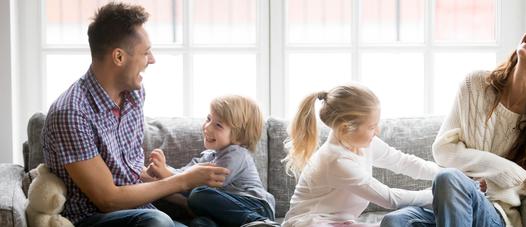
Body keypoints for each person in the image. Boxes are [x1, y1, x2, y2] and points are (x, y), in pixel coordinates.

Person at [380, 20, 526, 227]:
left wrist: (492, 183)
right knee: (395, 221)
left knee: (449, 178)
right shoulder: (475, 85)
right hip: (453, 203)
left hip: (497, 215)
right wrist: (500, 169)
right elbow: (443, 150)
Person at [41, 2, 228, 226]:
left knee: (209, 218)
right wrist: (184, 180)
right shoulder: (71, 113)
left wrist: (186, 198)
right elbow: (107, 200)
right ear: (119, 57)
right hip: (92, 217)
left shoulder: (133, 95)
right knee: (156, 221)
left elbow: (132, 170)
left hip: (139, 206)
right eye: (146, 52)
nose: (152, 59)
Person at [281, 84, 443, 227]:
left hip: (340, 221)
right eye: (372, 127)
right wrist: (436, 195)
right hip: (310, 223)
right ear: (345, 129)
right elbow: (389, 199)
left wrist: (445, 172)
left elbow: (402, 162)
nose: (377, 131)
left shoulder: (366, 144)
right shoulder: (337, 161)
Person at [147, 95, 279, 227]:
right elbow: (183, 174)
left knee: (199, 195)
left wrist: (165, 174)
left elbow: (192, 183)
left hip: (256, 207)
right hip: (225, 212)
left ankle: (260, 223)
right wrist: (161, 168)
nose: (207, 127)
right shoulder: (208, 156)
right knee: (200, 223)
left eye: (218, 125)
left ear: (239, 136)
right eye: (209, 119)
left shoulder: (236, 154)